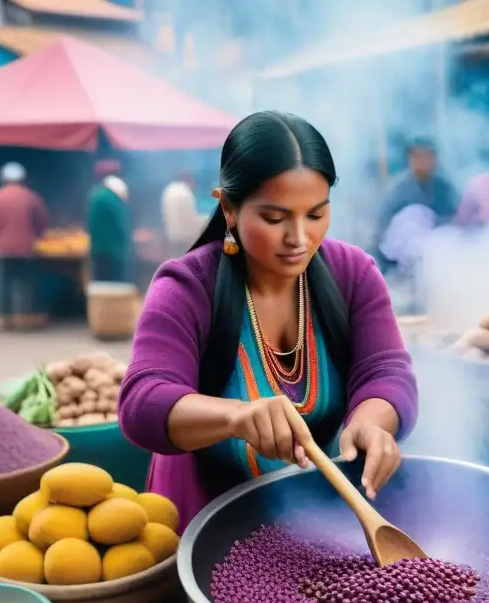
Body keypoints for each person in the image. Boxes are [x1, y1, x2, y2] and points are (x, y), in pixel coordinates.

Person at [118, 110, 418, 533]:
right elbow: (141, 403)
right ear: (229, 208)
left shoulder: (354, 274)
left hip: (324, 521)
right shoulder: (185, 287)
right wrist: (235, 417)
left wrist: (372, 421)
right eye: (275, 219)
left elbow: (386, 370)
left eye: (315, 215)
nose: (299, 239)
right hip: (206, 523)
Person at [0, 162, 50, 331]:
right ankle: (27, 319)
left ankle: (4, 319)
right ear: (22, 179)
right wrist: (40, 235)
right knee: (28, 285)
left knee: (4, 285)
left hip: (3, 250)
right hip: (26, 249)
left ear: (3, 179)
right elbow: (42, 222)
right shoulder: (31, 197)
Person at [372, 138, 457, 270]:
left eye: (427, 156)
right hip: (400, 257)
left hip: (436, 254)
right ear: (409, 160)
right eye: (417, 157)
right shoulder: (398, 188)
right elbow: (382, 226)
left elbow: (453, 219)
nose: (422, 162)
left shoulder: (443, 187)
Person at [87, 162, 131, 283]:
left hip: (100, 250)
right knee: (115, 286)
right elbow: (122, 224)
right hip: (114, 251)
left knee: (102, 286)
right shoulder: (115, 195)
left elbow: (92, 225)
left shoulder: (98, 195)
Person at [161, 177, 206, 258]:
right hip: (187, 238)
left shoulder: (171, 190)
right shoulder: (184, 192)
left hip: (173, 236)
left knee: (177, 257)